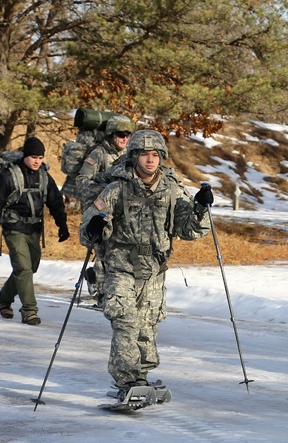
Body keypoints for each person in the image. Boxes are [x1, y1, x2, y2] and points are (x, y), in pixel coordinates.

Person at [78, 129, 211, 404]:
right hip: (121, 266)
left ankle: (141, 375)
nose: (150, 160)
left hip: (155, 269)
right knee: (126, 322)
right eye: (144, 155)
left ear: (161, 157)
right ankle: (126, 378)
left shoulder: (172, 188)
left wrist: (200, 210)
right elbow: (88, 231)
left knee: (148, 324)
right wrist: (95, 227)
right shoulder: (116, 188)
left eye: (155, 155)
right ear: (134, 156)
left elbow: (188, 230)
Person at [0, 136, 69, 325]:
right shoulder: (10, 176)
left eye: (40, 157)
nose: (37, 161)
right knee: (23, 267)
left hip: (33, 228)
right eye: (33, 157)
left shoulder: (44, 176)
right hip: (13, 228)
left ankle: (4, 299)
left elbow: (55, 202)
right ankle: (29, 311)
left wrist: (62, 225)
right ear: (25, 156)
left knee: (31, 267)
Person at [77, 115, 135, 308]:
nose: (124, 138)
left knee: (116, 252)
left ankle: (102, 284)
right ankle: (102, 294)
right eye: (120, 134)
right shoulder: (98, 154)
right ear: (111, 135)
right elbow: (83, 181)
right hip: (103, 211)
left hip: (124, 212)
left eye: (127, 135)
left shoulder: (130, 155)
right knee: (102, 250)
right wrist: (105, 192)